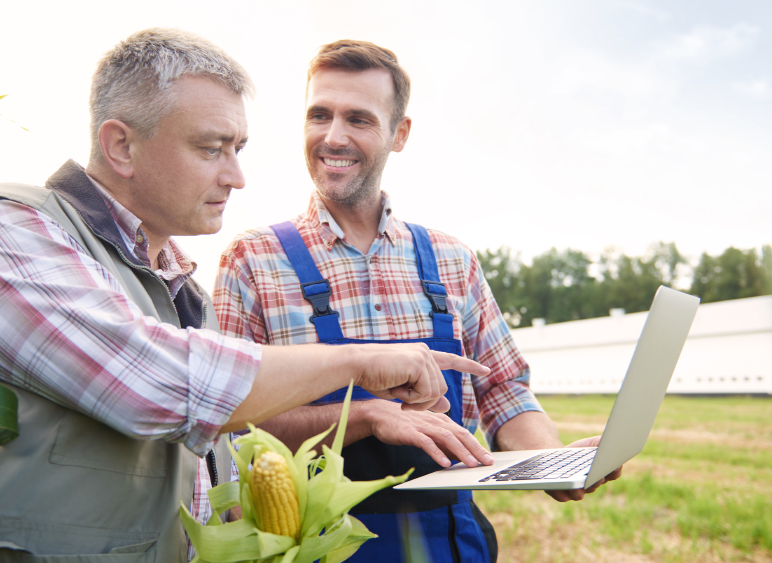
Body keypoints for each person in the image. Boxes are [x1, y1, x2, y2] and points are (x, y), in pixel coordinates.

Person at [0, 29, 490, 563]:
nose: (236, 176)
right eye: (211, 148)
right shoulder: (3, 232)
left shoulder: (180, 289)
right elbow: (156, 382)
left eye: (238, 149)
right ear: (121, 146)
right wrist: (361, 364)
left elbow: (216, 462)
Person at [213, 39, 622, 563]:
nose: (333, 137)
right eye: (320, 115)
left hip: (450, 543)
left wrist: (550, 461)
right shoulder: (254, 260)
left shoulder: (452, 260)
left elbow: (503, 391)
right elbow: (229, 421)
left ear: (399, 133)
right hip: (316, 547)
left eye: (358, 119)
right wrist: (364, 416)